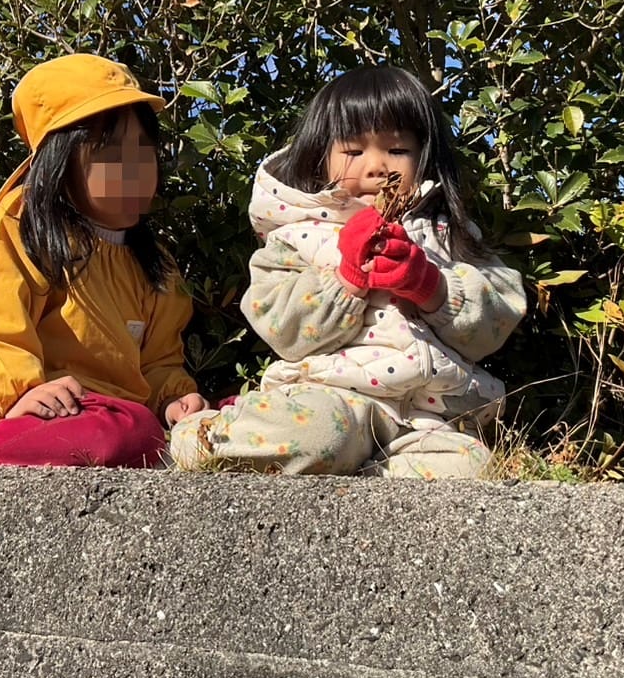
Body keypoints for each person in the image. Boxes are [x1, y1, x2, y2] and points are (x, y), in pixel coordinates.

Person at [170, 66, 526, 478]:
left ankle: (362, 473)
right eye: (354, 152)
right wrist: (345, 280)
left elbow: (500, 314)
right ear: (320, 158)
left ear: (425, 156)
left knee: (471, 469)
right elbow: (280, 327)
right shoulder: (300, 234)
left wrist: (432, 286)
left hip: (427, 414)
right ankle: (204, 436)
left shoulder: (447, 234)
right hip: (332, 398)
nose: (377, 167)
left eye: (397, 150)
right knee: (322, 436)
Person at [0, 53, 207, 466]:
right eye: (112, 155)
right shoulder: (23, 225)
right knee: (128, 433)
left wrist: (174, 400)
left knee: (167, 424)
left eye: (144, 152)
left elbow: (158, 361)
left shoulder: (155, 261)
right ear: (60, 162)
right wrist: (19, 392)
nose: (136, 170)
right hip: (37, 411)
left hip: (115, 415)